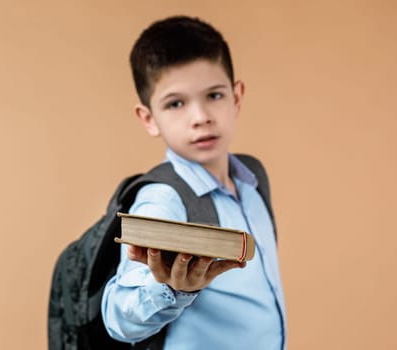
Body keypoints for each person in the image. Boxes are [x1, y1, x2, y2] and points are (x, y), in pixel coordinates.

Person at [101, 15, 286, 350]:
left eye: (214, 96)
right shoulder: (162, 198)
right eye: (176, 103)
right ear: (149, 119)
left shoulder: (253, 179)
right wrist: (171, 288)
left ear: (237, 97)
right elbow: (118, 318)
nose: (200, 117)